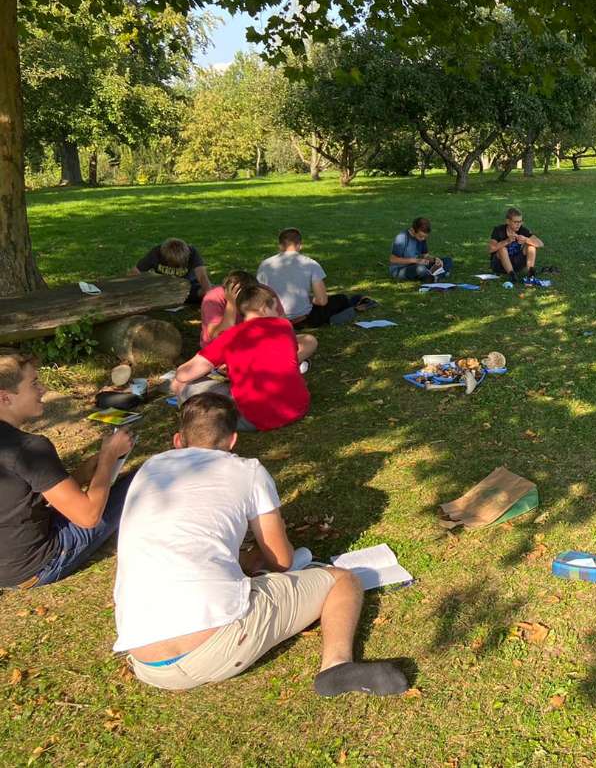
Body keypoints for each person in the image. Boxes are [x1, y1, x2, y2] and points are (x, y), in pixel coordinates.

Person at [112, 392, 409, 697]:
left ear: (177, 440)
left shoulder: (148, 470)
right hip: (216, 645)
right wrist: (258, 557)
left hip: (145, 662)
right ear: (232, 441)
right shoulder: (248, 471)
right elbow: (281, 561)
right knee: (342, 581)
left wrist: (245, 559)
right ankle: (335, 664)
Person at [0, 348, 135, 589]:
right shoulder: (28, 448)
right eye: (34, 383)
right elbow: (88, 517)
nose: (43, 390)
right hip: (36, 566)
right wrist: (108, 457)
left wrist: (84, 473)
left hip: (7, 563)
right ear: (5, 397)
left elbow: (20, 498)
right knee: (139, 483)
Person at [172, 285, 310, 432]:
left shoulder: (230, 336)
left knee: (183, 385)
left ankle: (197, 420)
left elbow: (184, 374)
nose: (277, 313)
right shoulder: (284, 325)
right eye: (275, 309)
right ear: (264, 308)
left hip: (254, 418)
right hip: (297, 407)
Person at [257, 228, 368, 328]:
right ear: (300, 245)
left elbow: (259, 296)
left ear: (280, 246)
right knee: (341, 299)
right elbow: (322, 301)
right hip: (303, 319)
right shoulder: (310, 264)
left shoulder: (265, 265)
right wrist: (309, 299)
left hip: (274, 318)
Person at [200, 271, 317, 365]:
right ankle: (281, 365)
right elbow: (218, 337)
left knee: (309, 341)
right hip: (229, 348)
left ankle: (282, 365)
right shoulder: (213, 298)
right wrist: (231, 305)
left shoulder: (264, 293)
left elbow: (283, 325)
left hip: (260, 344)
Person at [130, 237, 211, 305]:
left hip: (189, 288)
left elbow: (202, 276)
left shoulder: (193, 252)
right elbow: (135, 272)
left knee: (211, 291)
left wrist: (209, 293)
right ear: (164, 257)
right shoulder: (156, 253)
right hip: (165, 288)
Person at [488, 207, 545, 282]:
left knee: (531, 246)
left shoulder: (522, 230)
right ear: (508, 221)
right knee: (502, 249)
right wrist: (507, 241)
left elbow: (540, 243)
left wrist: (526, 240)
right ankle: (512, 275)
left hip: (516, 263)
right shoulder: (499, 230)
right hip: (499, 265)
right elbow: (490, 249)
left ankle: (531, 273)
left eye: (520, 222)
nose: (518, 224)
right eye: (515, 222)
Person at [389, 217, 453, 281]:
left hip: (417, 264)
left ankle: (433, 276)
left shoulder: (422, 239)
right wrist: (416, 260)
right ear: (413, 230)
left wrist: (435, 259)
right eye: (421, 236)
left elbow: (425, 255)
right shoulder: (402, 238)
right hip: (400, 269)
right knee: (420, 269)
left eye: (425, 237)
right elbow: (393, 259)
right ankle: (439, 275)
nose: (423, 239)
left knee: (447, 260)